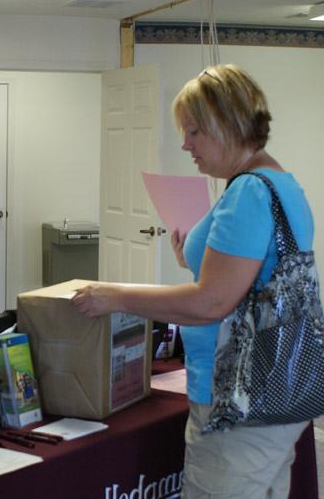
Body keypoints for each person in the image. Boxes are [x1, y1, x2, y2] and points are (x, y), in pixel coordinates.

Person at [72, 64, 313, 498]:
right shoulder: (281, 183)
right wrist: (196, 263)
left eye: (194, 131)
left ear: (228, 124)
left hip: (238, 399)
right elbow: (252, 284)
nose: (185, 144)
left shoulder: (247, 193)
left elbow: (211, 303)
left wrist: (116, 297)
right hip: (277, 386)